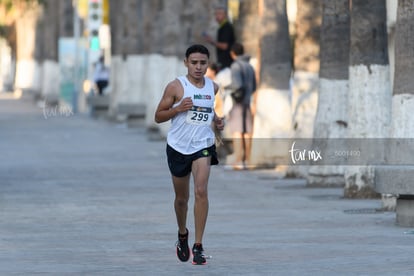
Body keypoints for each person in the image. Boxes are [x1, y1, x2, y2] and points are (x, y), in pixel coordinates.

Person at [154, 44, 224, 265]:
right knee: (182, 200)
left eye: (203, 63)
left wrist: (216, 120)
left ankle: (199, 245)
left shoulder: (213, 87)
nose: (198, 67)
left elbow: (208, 109)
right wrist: (177, 109)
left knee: (201, 191)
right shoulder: (176, 87)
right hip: (178, 147)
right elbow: (158, 116)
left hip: (202, 145)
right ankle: (182, 234)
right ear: (186, 62)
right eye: (194, 62)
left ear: (207, 64)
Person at [226, 42, 257, 170]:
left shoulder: (235, 66)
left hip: (237, 103)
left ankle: (238, 160)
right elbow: (254, 86)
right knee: (247, 132)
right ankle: (248, 160)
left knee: (237, 131)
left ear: (233, 53)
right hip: (247, 102)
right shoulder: (250, 66)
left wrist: (226, 87)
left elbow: (237, 85)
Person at [203, 6, 235, 70]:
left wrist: (211, 41)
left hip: (227, 62)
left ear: (225, 15)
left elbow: (225, 46)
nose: (217, 16)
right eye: (216, 14)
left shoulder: (227, 27)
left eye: (219, 14)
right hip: (223, 61)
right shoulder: (222, 27)